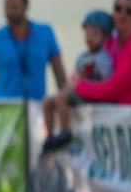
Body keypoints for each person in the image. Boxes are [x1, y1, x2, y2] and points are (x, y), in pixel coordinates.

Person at [42, 0, 131, 153]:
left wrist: (79, 85)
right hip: (110, 124)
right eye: (118, 9)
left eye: (129, 11)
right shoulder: (109, 44)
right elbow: (82, 72)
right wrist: (77, 82)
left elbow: (113, 89)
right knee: (51, 101)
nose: (122, 14)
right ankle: (51, 138)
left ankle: (65, 134)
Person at [0, 0, 67, 100]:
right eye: (7, 7)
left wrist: (65, 99)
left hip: (36, 106)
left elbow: (59, 73)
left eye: (14, 7)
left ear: (26, 6)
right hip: (5, 109)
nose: (10, 11)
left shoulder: (45, 33)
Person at [41, 10, 114, 151]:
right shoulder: (82, 57)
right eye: (87, 34)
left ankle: (65, 131)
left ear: (105, 37)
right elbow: (74, 78)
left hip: (92, 96)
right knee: (48, 101)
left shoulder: (104, 58)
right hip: (80, 91)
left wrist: (84, 84)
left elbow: (105, 82)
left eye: (94, 35)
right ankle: (49, 136)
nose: (89, 38)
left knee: (62, 98)